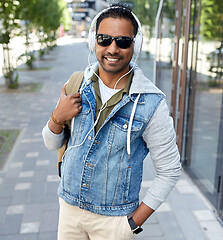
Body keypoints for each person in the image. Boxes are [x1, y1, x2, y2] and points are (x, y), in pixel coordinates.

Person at [42, 3, 181, 240]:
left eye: (123, 41)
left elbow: (169, 171)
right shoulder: (77, 84)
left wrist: (132, 224)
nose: (113, 48)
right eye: (104, 39)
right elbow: (52, 144)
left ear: (135, 45)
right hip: (69, 210)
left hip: (114, 222)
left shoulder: (151, 103)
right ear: (94, 42)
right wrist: (57, 116)